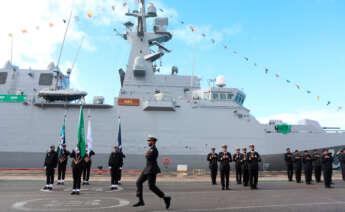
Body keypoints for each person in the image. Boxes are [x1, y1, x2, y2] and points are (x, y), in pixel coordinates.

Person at [133, 136, 171, 209]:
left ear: (153, 141)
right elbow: (148, 157)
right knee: (138, 182)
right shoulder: (150, 149)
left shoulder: (154, 150)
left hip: (152, 170)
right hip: (147, 169)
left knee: (152, 187)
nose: (148, 142)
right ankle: (140, 200)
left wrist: (146, 154)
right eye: (148, 141)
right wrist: (147, 154)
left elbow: (150, 157)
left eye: (149, 141)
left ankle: (166, 198)